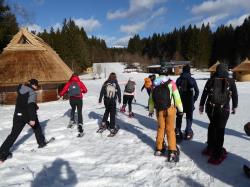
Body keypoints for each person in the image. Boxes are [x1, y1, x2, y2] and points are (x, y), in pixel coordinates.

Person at [199, 63, 238, 165]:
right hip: (223, 110)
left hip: (210, 108)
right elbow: (235, 95)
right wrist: (234, 106)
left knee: (212, 125)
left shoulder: (211, 80)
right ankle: (217, 155)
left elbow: (204, 93)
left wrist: (201, 105)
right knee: (220, 130)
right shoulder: (231, 81)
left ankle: (210, 148)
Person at [0, 79, 47, 162]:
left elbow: (24, 101)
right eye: (36, 86)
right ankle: (41, 143)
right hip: (28, 115)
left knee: (13, 134)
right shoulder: (32, 92)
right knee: (37, 127)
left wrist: (35, 106)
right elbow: (30, 106)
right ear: (34, 85)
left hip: (17, 115)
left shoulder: (21, 89)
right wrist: (32, 119)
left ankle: (2, 153)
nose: (36, 88)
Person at [149, 70, 183, 162]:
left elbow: (151, 99)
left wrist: (151, 110)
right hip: (170, 109)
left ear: (159, 74)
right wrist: (181, 109)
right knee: (170, 129)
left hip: (159, 110)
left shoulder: (154, 83)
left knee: (161, 128)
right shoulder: (171, 83)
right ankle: (172, 151)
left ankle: (159, 149)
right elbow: (177, 97)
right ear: (167, 74)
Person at [175, 65, 199, 140]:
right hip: (189, 103)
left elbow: (175, 92)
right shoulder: (192, 79)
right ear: (189, 71)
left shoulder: (178, 79)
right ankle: (188, 132)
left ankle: (178, 132)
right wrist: (193, 100)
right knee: (189, 117)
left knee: (179, 117)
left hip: (180, 103)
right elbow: (197, 91)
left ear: (183, 71)